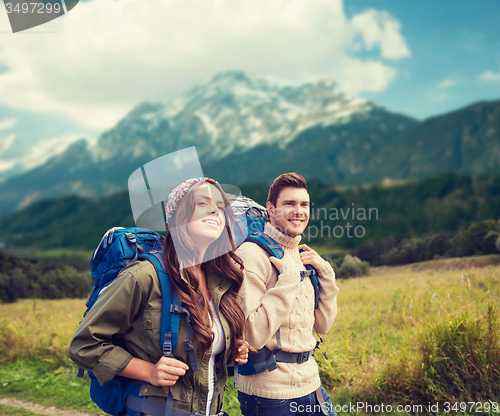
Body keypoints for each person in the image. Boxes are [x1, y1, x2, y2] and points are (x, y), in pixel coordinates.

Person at [69, 177, 249, 416]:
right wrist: (148, 371)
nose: (215, 210)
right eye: (203, 203)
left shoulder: (220, 281)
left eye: (220, 205)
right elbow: (84, 344)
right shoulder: (144, 276)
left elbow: (199, 356)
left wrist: (228, 352)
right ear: (178, 217)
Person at [236, 172, 339, 416]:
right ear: (271, 209)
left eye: (304, 204)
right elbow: (251, 335)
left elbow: (323, 325)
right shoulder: (251, 255)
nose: (299, 211)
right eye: (289, 204)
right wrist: (288, 280)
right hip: (270, 396)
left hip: (312, 384)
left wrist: (326, 272)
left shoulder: (302, 255)